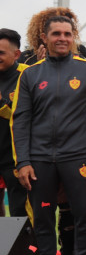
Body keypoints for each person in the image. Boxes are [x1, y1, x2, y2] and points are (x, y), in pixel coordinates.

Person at [11, 15, 86, 255]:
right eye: (56, 34)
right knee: (42, 217)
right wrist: (23, 162)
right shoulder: (29, 74)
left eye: (67, 33)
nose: (62, 38)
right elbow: (20, 120)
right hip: (39, 158)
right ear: (45, 37)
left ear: (73, 36)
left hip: (77, 156)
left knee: (84, 214)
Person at [0, 29, 28, 217]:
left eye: (1, 53)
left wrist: (2, 105)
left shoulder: (28, 75)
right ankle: (3, 246)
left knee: (19, 211)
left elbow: (28, 117)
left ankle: (23, 247)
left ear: (16, 54)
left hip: (16, 158)